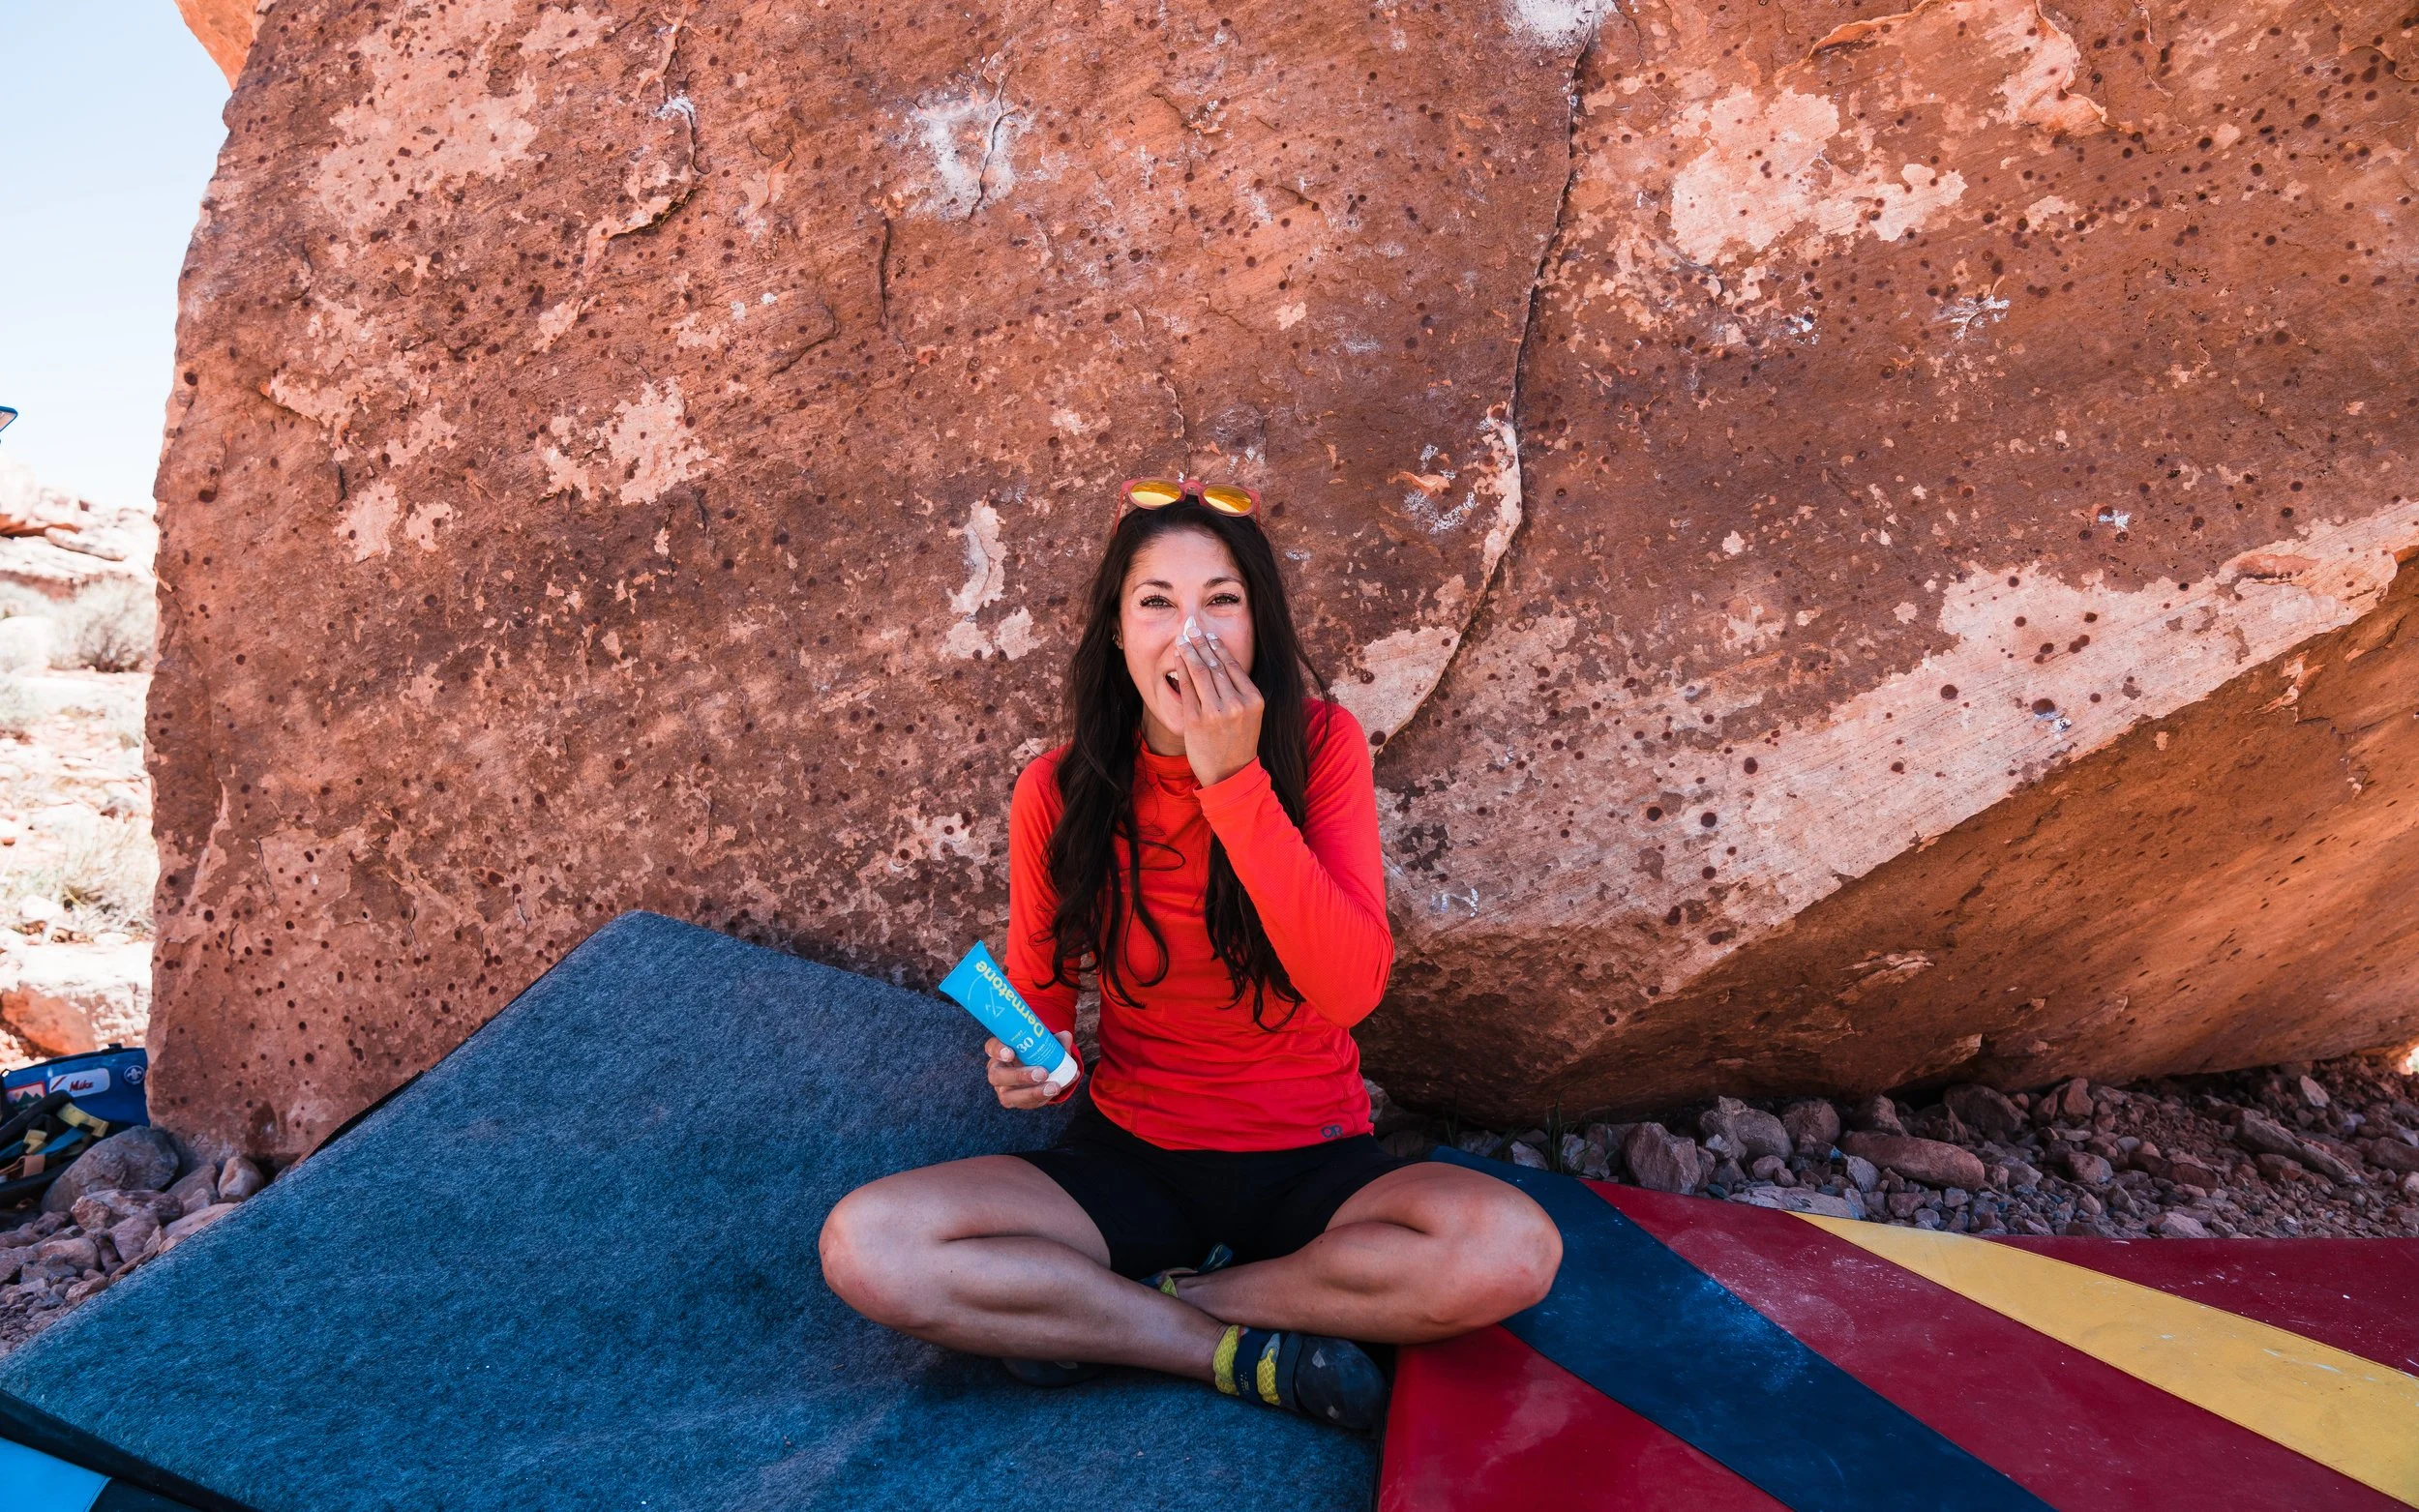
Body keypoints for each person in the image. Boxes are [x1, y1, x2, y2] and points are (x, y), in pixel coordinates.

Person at [820, 478, 1561, 1434]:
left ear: (1260, 627)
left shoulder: (1322, 746)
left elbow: (1347, 991)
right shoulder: (1056, 787)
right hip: (1132, 1164)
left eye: (1221, 601)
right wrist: (1028, 1065)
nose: (1190, 633)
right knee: (869, 1244)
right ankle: (1222, 1352)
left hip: (1313, 1163)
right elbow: (1045, 1010)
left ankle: (1128, 1310)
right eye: (1156, 603)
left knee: (1507, 1250)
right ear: (1118, 632)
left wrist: (1232, 780)